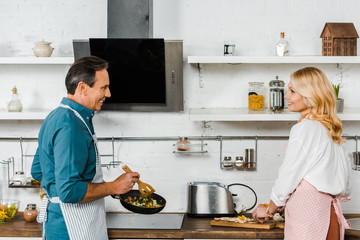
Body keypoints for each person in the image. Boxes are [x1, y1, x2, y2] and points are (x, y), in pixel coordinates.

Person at [31, 56, 140, 240]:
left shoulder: (56, 116)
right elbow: (68, 191)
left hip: (58, 223)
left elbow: (38, 171)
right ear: (82, 87)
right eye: (103, 88)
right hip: (71, 228)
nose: (109, 94)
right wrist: (114, 187)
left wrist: (55, 192)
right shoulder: (71, 125)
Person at [252, 67, 351, 240]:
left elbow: (289, 175)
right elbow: (344, 183)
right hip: (330, 213)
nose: (286, 96)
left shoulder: (304, 128)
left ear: (310, 95)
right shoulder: (330, 129)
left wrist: (269, 209)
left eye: (292, 91)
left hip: (309, 216)